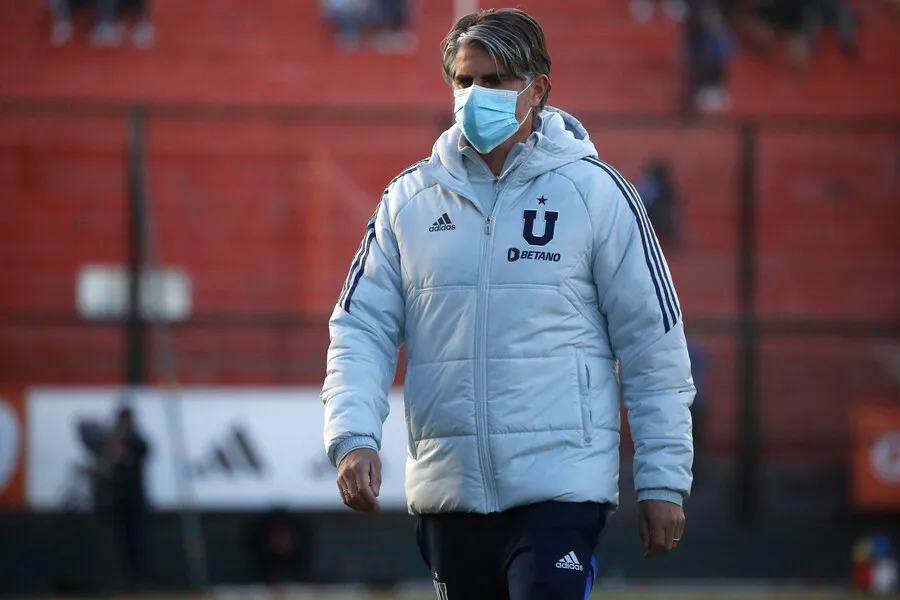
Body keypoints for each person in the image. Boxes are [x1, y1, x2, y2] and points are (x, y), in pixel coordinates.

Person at [321, 8, 694, 599]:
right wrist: (354, 438)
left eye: (494, 81)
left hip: (560, 492)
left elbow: (653, 346)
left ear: (538, 88)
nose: (476, 95)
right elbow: (359, 329)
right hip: (450, 492)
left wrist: (663, 482)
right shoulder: (407, 201)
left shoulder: (597, 193)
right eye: (464, 81)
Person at [105, 406, 151, 590]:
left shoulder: (136, 442)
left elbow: (144, 451)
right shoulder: (112, 440)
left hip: (135, 498)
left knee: (136, 540)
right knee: (120, 540)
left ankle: (137, 578)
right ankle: (122, 577)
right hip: (118, 498)